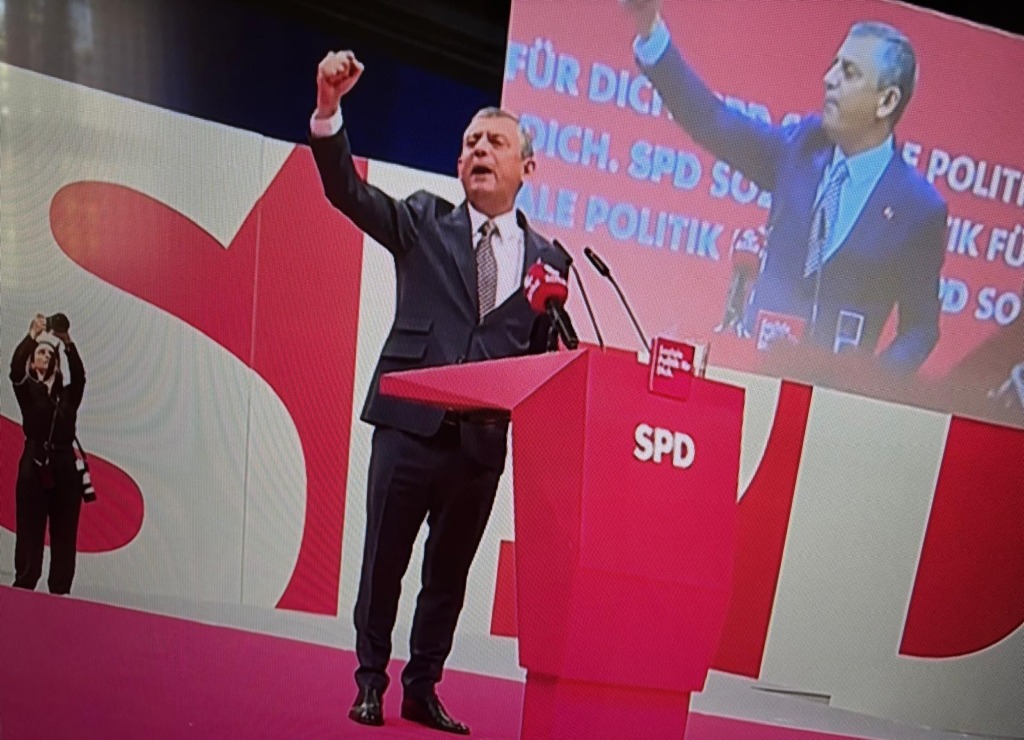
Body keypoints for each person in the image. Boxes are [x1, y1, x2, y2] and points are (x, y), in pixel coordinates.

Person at [308, 50, 569, 734]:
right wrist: (330, 111)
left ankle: (422, 688)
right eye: (471, 142)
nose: (480, 150)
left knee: (447, 581)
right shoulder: (424, 220)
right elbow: (347, 192)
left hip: (479, 445)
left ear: (527, 167)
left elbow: (545, 360)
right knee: (383, 566)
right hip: (408, 427)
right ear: (458, 165)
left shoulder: (551, 261)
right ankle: (370, 682)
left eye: (496, 142)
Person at [622, 0, 948, 374]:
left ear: (886, 101)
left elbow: (920, 330)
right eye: (834, 65)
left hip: (830, 398)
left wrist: (867, 388)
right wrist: (651, 29)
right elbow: (713, 121)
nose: (829, 78)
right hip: (752, 376)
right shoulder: (800, 149)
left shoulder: (918, 208)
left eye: (849, 72)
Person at [9, 313, 87, 595]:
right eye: (40, 353)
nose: (45, 356)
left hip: (65, 463)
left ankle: (60, 591)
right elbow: (15, 368)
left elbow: (80, 376)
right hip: (35, 462)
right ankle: (24, 585)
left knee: (65, 531)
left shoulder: (67, 395)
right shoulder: (27, 390)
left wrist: (66, 341)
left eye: (49, 353)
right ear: (32, 361)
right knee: (30, 528)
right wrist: (33, 335)